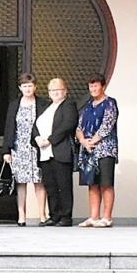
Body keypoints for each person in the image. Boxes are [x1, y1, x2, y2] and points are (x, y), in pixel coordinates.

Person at [75, 76, 119, 227]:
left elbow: (107, 125)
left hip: (105, 150)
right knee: (92, 183)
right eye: (91, 87)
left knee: (106, 183)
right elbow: (79, 127)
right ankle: (93, 216)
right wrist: (83, 141)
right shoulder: (88, 105)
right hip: (88, 151)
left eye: (96, 86)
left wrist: (92, 141)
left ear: (103, 86)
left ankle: (107, 217)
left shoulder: (110, 103)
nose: (93, 89)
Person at [2, 74, 44, 226]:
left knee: (39, 181)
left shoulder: (42, 104)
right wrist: (6, 151)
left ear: (35, 87)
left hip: (37, 147)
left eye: (30, 85)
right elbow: (9, 128)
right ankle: (21, 215)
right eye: (25, 86)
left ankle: (42, 215)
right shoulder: (14, 105)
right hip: (19, 147)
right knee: (20, 182)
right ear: (20, 88)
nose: (28, 89)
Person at [34, 79, 76, 227]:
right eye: (52, 90)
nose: (56, 92)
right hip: (45, 153)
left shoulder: (68, 105)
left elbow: (68, 125)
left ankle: (66, 217)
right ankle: (54, 215)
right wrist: (37, 138)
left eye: (59, 89)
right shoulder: (47, 107)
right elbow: (35, 125)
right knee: (50, 186)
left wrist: (50, 140)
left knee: (63, 185)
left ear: (65, 91)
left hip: (59, 150)